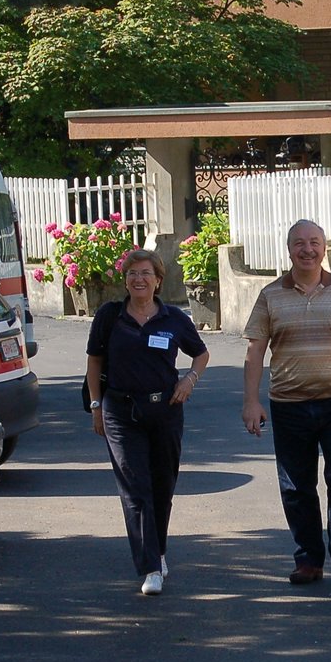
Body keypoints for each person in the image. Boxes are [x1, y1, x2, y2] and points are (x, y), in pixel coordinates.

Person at [242, 220, 331, 586]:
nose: (308, 249)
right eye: (300, 243)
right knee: (296, 484)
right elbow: (255, 350)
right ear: (289, 250)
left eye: (314, 242)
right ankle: (308, 559)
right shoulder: (270, 295)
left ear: (324, 247)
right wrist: (251, 401)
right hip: (288, 403)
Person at [86, 250, 210, 595]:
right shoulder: (110, 316)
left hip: (166, 410)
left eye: (146, 273)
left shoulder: (173, 318)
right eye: (132, 274)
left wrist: (189, 381)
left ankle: (158, 549)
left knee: (162, 487)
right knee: (136, 489)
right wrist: (96, 406)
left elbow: (200, 353)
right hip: (121, 412)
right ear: (125, 279)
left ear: (158, 280)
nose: (138, 279)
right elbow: (94, 363)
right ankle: (151, 568)